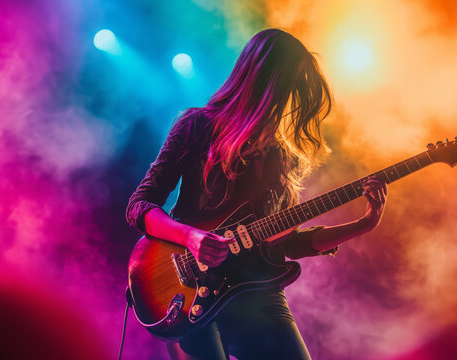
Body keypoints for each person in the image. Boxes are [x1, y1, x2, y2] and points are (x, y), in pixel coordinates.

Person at [126, 28, 387, 360]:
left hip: (258, 292)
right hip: (190, 289)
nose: (289, 101)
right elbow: (139, 205)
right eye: (287, 87)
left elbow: (287, 242)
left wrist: (363, 224)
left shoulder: (283, 156)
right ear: (263, 83)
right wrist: (192, 238)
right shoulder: (196, 126)